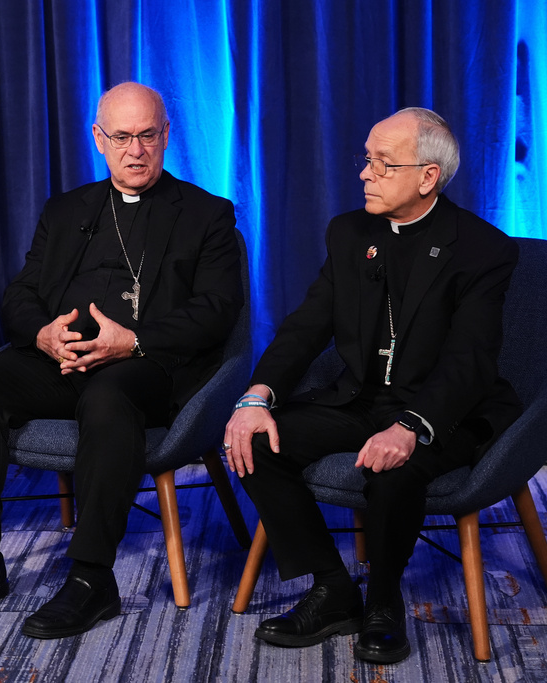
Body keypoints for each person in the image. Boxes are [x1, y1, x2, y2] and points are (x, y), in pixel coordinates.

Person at [0, 82, 242, 639]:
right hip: (63, 359)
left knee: (107, 396)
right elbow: (20, 292)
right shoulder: (67, 209)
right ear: (99, 139)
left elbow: (217, 311)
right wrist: (43, 334)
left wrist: (133, 342)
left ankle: (92, 577)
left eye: (147, 135)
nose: (135, 150)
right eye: (121, 137)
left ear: (167, 136)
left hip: (147, 366)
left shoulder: (206, 213)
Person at [222, 108, 522, 664]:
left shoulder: (483, 250)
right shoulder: (350, 232)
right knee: (256, 441)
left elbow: (470, 361)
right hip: (360, 398)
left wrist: (410, 426)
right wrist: (256, 396)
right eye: (367, 159)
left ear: (428, 177)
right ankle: (332, 587)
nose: (365, 173)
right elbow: (306, 326)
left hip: (445, 409)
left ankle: (384, 600)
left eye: (384, 163)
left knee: (394, 471)